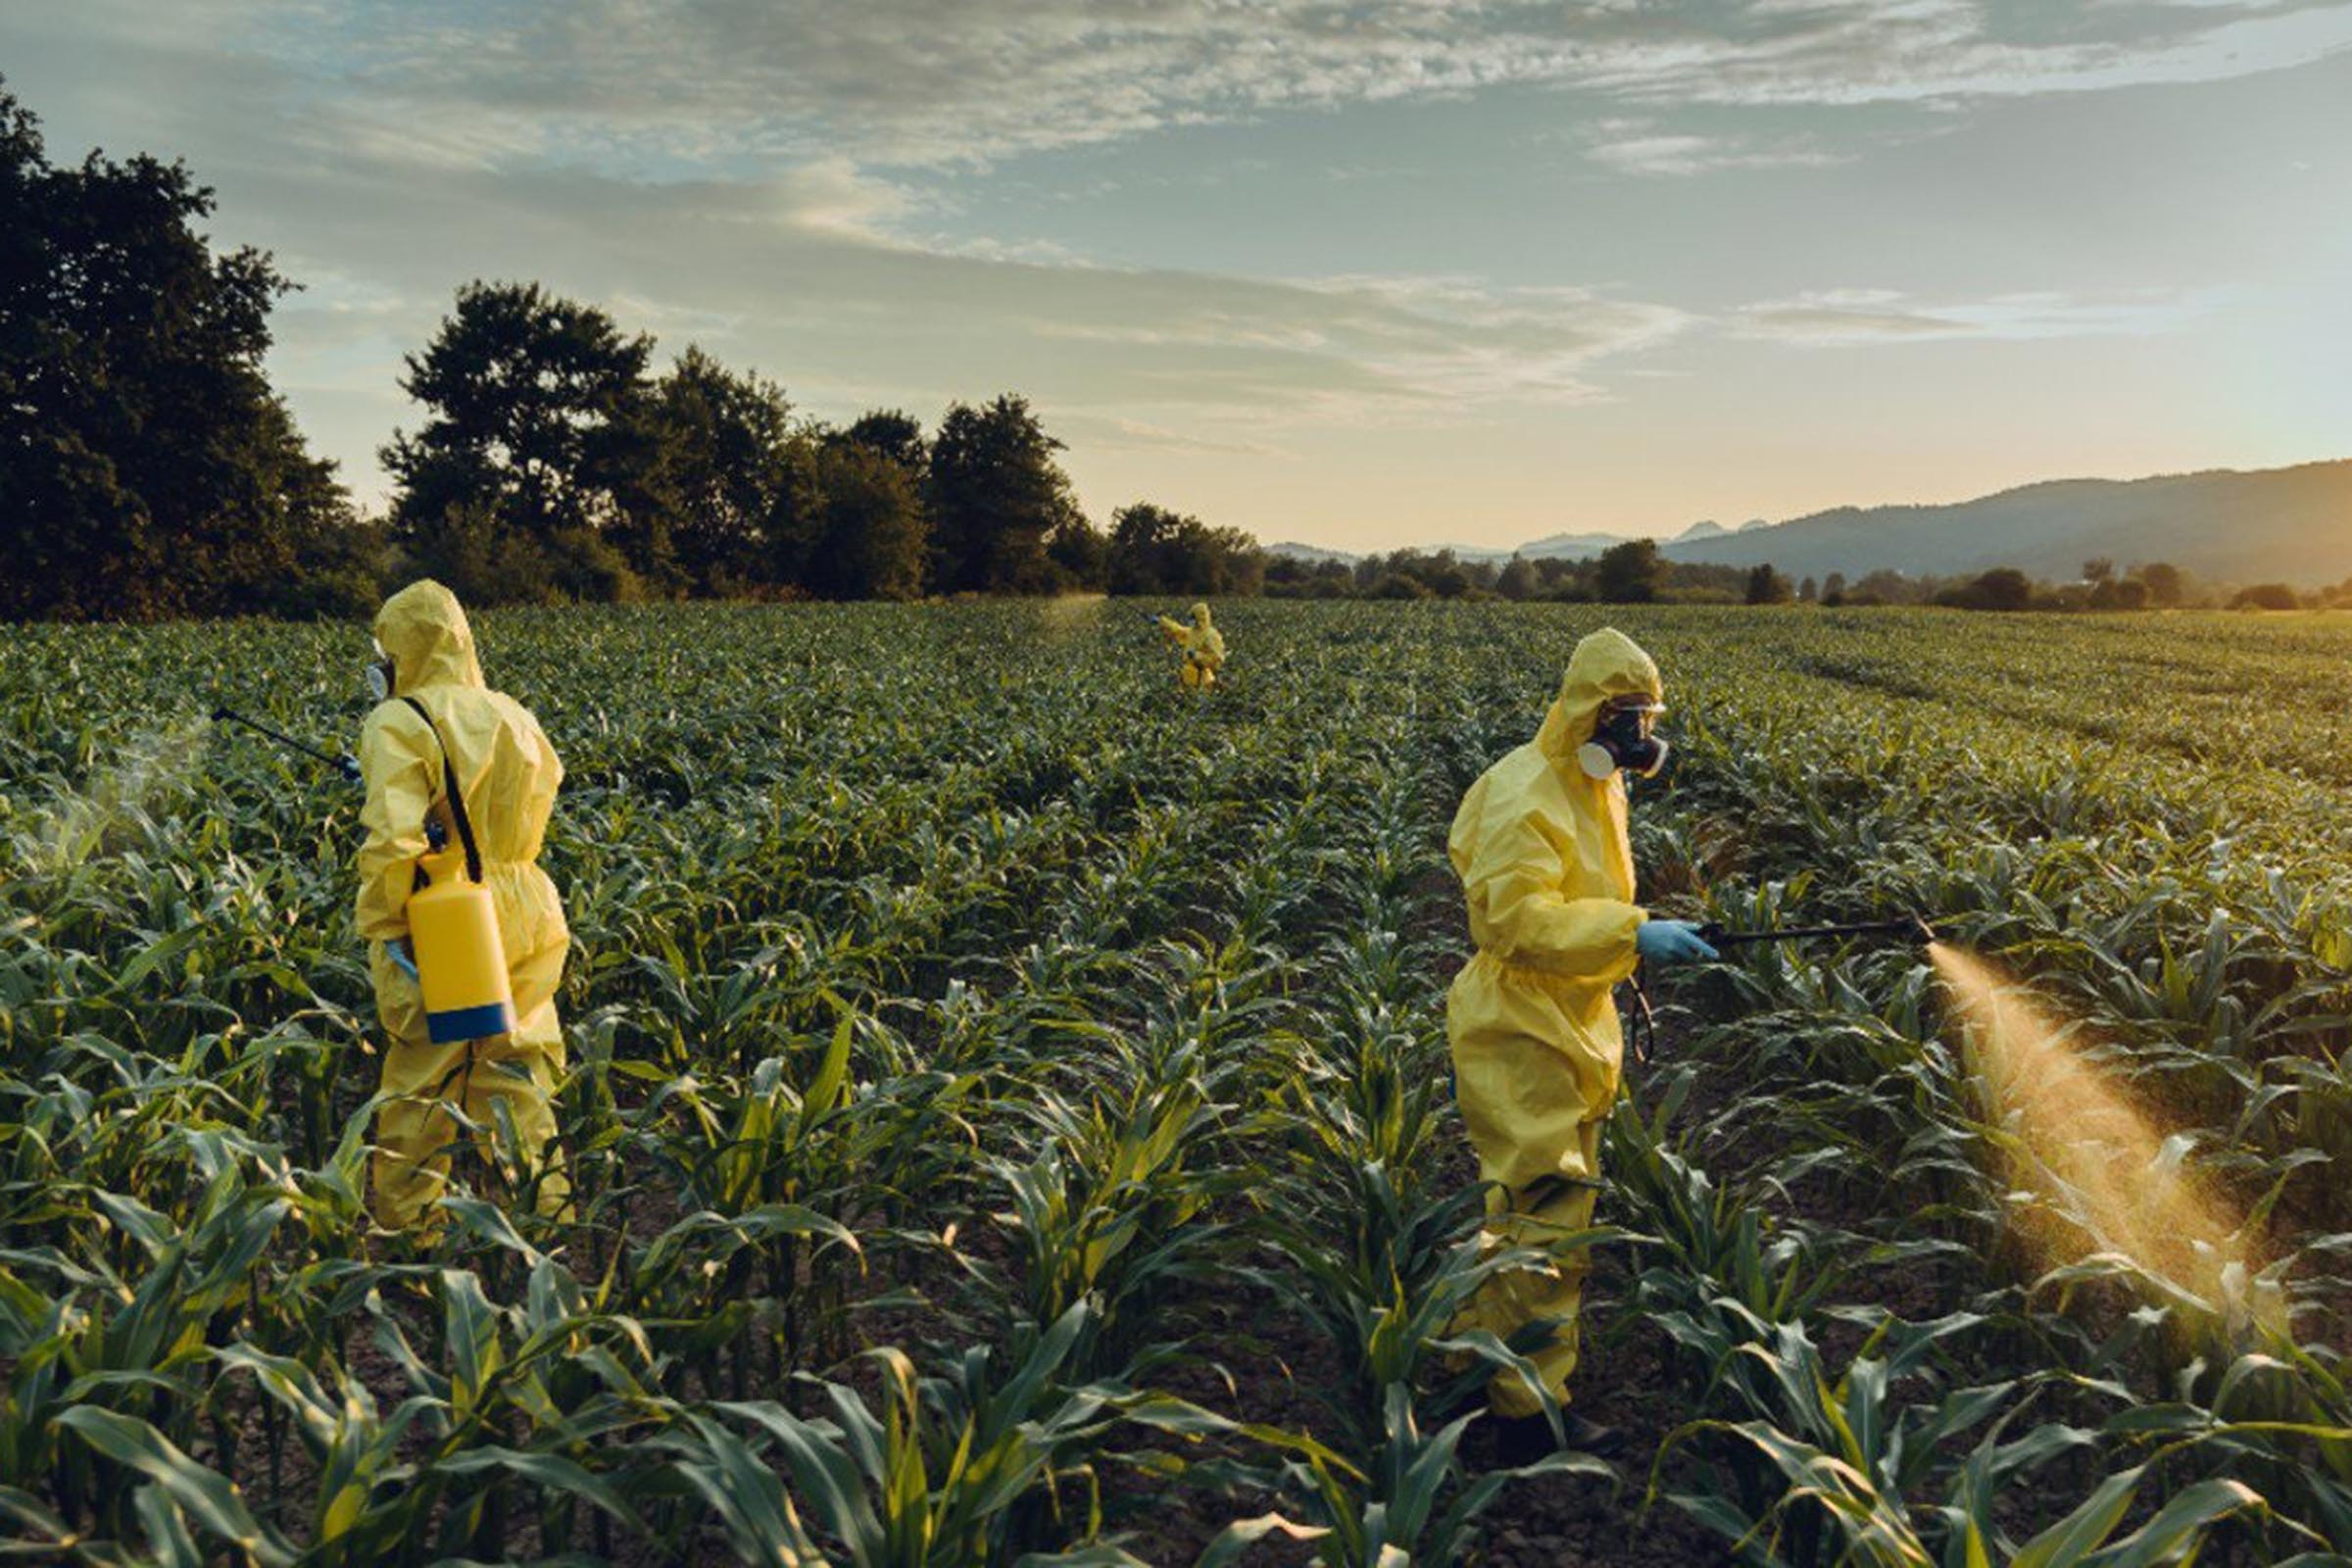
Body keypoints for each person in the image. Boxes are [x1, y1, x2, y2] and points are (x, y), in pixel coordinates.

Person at [1446, 627, 1715, 1458]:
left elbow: (1585, 901)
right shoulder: (1527, 792)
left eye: (1647, 716)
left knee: (1539, 1210)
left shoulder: (1598, 789)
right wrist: (1637, 929)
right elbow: (1516, 920)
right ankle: (1522, 1412)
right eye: (1624, 716)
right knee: (1545, 1220)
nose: (1639, 736)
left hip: (1575, 1013)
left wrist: (1636, 937)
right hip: (1521, 1023)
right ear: (1586, 712)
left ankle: (1477, 1360)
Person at [356, 579, 570, 1231]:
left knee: (424, 1082)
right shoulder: (514, 714)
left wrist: (389, 925)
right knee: (516, 1075)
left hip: (450, 917)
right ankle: (545, 1225)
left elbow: (394, 839)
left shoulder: (399, 719)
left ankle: (408, 1237)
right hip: (528, 904)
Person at [1156, 602, 1226, 688]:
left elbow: (1217, 659)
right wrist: (1161, 621)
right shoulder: (1193, 632)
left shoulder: (1211, 635)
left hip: (1205, 677)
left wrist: (1197, 655)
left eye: (1193, 618)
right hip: (1190, 673)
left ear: (1199, 618)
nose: (1190, 621)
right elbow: (1178, 630)